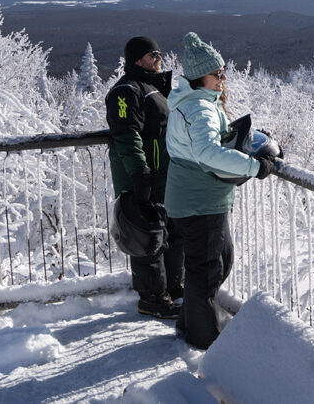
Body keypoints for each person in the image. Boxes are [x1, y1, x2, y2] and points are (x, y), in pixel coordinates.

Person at [165, 31, 275, 349]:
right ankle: (205, 339)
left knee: (214, 262)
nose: (223, 78)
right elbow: (208, 153)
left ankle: (189, 324)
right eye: (218, 73)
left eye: (223, 72)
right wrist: (255, 167)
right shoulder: (199, 109)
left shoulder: (192, 103)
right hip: (199, 201)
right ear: (201, 77)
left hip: (195, 198)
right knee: (208, 269)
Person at [105, 36, 184, 319]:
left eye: (160, 53)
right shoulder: (125, 92)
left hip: (162, 175)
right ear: (138, 59)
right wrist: (140, 174)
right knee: (146, 236)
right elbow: (127, 135)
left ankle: (173, 286)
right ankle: (151, 298)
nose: (159, 58)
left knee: (169, 232)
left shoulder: (151, 87)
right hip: (142, 177)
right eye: (154, 54)